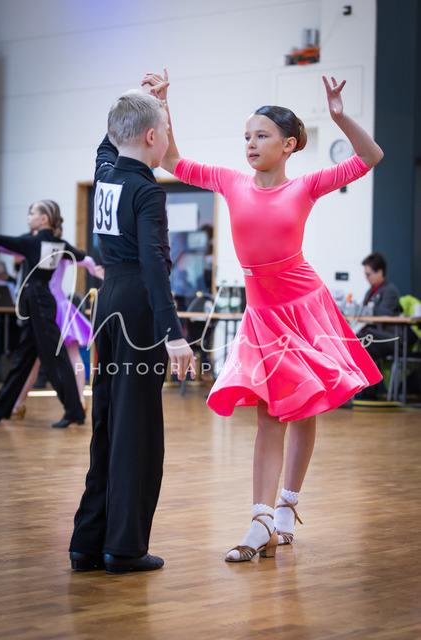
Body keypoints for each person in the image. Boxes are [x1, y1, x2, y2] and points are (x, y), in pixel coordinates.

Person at [142, 70, 384, 562]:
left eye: (262, 136)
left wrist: (339, 117)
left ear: (289, 145)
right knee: (269, 414)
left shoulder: (307, 186)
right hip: (263, 316)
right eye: (247, 137)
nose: (250, 144)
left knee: (302, 408)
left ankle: (284, 509)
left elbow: (370, 157)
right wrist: (164, 104)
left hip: (305, 307)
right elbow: (170, 160)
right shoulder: (230, 182)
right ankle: (261, 521)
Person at [69, 89, 196, 574]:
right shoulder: (148, 190)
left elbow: (108, 141)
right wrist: (173, 332)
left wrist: (143, 102)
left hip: (107, 302)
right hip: (139, 307)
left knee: (107, 417)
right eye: (165, 129)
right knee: (137, 426)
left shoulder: (105, 174)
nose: (168, 137)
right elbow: (154, 264)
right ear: (150, 136)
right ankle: (124, 547)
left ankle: (88, 541)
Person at [0, 200, 87, 429]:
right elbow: (79, 255)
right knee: (23, 359)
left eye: (32, 213)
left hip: (38, 302)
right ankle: (0, 409)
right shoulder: (57, 243)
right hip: (40, 300)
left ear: (43, 219)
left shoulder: (33, 242)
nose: (28, 216)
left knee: (56, 357)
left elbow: (4, 241)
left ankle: (75, 411)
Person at [11, 256, 104, 418]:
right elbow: (86, 260)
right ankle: (80, 400)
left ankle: (19, 404)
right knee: (69, 355)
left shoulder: (44, 251)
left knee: (35, 360)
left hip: (46, 307)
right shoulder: (62, 252)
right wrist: (92, 269)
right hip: (59, 306)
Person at [355, 252, 405, 400]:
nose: (366, 278)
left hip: (389, 337)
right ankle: (359, 391)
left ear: (380, 272)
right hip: (374, 334)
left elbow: (380, 316)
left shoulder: (390, 290)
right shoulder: (370, 291)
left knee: (363, 340)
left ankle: (367, 393)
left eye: (368, 274)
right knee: (354, 339)